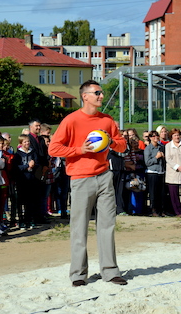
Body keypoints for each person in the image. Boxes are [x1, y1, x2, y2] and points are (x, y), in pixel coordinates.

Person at [48, 79, 127, 287]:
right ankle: (78, 274)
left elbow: (122, 146)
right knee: (79, 227)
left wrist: (110, 141)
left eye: (101, 93)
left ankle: (110, 271)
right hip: (81, 179)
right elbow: (53, 149)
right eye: (97, 93)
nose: (101, 96)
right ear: (85, 96)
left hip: (104, 177)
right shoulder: (71, 120)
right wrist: (79, 150)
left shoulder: (107, 120)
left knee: (107, 225)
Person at [13, 134, 38, 229]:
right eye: (25, 142)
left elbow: (37, 163)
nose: (27, 143)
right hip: (22, 180)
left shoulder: (33, 152)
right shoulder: (18, 154)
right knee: (21, 201)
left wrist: (34, 166)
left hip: (32, 179)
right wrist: (27, 166)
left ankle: (29, 220)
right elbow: (16, 168)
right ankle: (21, 221)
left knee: (30, 201)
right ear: (21, 143)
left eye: (28, 141)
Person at [144, 131, 165, 216]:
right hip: (152, 173)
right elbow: (147, 162)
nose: (156, 137)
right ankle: (153, 210)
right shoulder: (148, 149)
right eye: (153, 136)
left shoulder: (161, 147)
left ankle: (161, 210)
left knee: (161, 193)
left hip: (161, 172)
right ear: (150, 138)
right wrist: (156, 157)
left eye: (157, 135)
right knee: (153, 193)